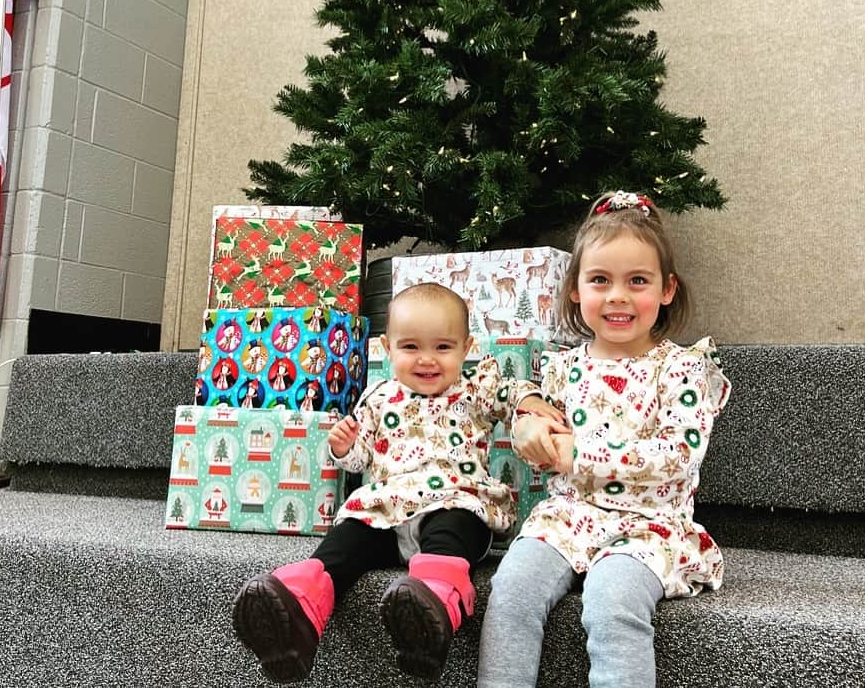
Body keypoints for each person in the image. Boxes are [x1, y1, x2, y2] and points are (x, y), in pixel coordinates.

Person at [231, 282, 562, 684]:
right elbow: (362, 458)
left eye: (443, 347)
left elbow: (512, 394)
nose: (427, 360)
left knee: (457, 525)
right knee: (350, 536)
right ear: (388, 349)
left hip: (454, 499)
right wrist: (345, 448)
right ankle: (302, 604)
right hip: (388, 510)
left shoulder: (475, 389)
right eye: (410, 348)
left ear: (466, 347)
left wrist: (531, 404)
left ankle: (433, 602)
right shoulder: (378, 397)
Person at [477, 190, 731, 688]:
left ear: (666, 290)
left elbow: (679, 455)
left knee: (613, 605)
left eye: (637, 281)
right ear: (575, 290)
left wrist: (581, 452)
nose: (617, 296)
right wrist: (527, 418)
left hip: (649, 526)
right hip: (567, 518)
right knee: (510, 592)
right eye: (600, 280)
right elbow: (515, 396)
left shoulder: (681, 369)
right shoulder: (563, 367)